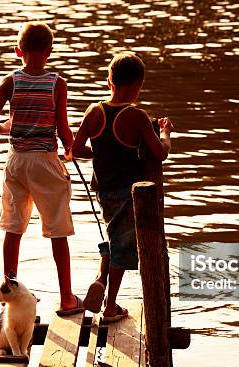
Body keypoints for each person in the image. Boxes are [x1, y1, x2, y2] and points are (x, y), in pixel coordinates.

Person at [0, 22, 82, 315]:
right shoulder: (57, 83)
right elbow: (63, 128)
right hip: (45, 162)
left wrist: (7, 128)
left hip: (16, 162)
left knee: (13, 227)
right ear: (49, 52)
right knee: (57, 230)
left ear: (18, 52)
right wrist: (71, 150)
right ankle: (66, 298)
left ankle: (10, 288)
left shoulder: (10, 81)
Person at [72, 52, 173, 322]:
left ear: (109, 82)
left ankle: (100, 280)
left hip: (103, 190)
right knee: (124, 247)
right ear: (138, 85)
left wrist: (101, 154)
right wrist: (165, 133)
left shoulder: (94, 111)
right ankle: (110, 306)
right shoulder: (136, 116)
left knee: (114, 235)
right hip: (129, 193)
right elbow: (160, 152)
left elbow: (76, 149)